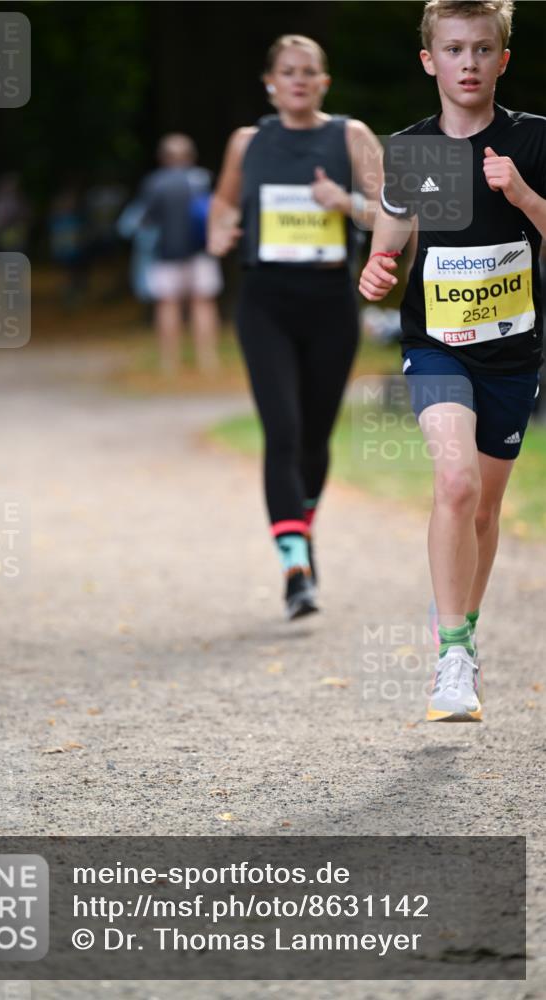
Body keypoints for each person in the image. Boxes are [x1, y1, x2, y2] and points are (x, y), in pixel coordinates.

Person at [359, 0, 545, 721]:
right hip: (435, 345)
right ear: (428, 61)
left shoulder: (532, 142)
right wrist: (375, 271)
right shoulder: (408, 150)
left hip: (511, 354)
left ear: (503, 60)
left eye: (481, 49)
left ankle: (462, 637)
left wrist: (522, 194)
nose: (466, 62)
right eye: (453, 49)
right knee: (456, 483)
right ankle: (452, 655)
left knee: (485, 508)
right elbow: (388, 239)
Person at [208, 34, 383, 620]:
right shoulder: (248, 141)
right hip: (266, 303)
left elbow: (393, 214)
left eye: (310, 72)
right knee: (281, 430)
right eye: (288, 72)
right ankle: (294, 569)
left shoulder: (350, 136)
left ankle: (299, 534)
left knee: (313, 437)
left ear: (324, 82)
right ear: (270, 82)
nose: (299, 80)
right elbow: (225, 204)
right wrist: (219, 231)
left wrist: (343, 202)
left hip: (331, 303)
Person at [139, 134, 222, 375]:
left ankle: (169, 362)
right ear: (190, 156)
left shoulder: (155, 182)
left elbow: (147, 220)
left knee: (168, 305)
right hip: (201, 253)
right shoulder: (202, 179)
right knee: (203, 303)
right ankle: (208, 360)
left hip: (166, 254)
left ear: (163, 157)